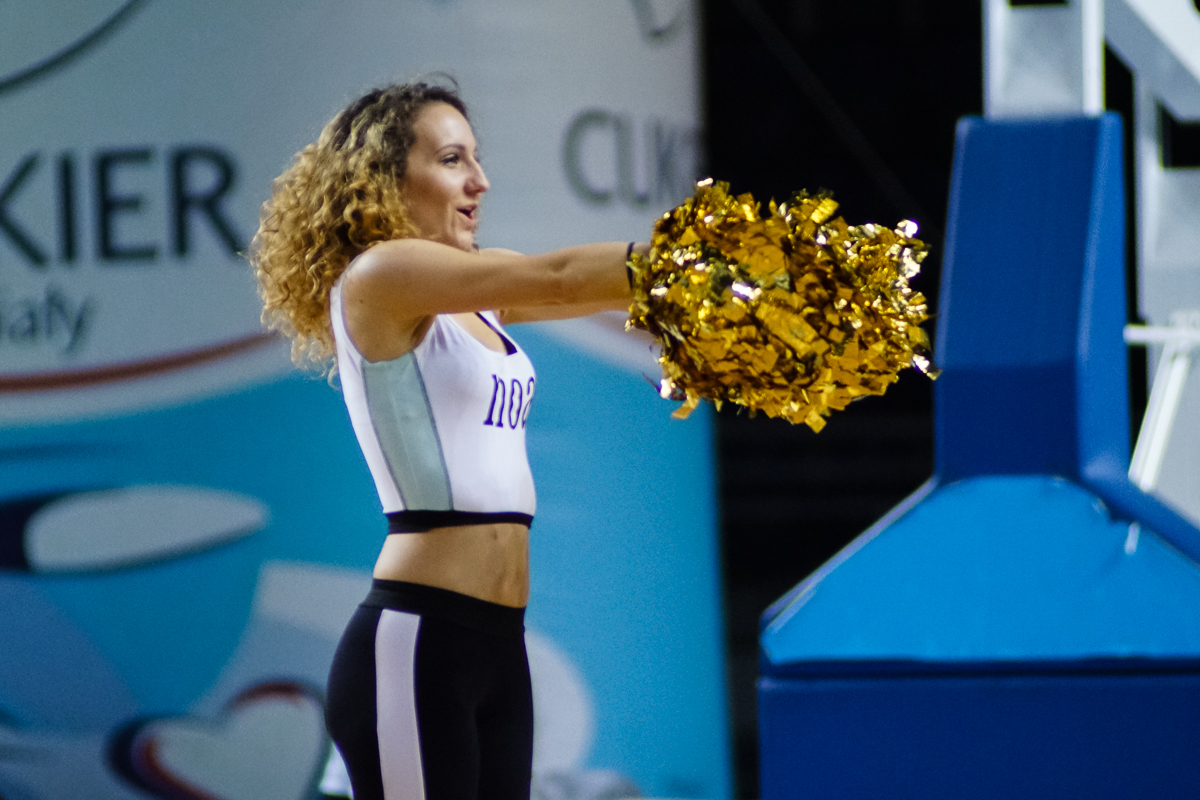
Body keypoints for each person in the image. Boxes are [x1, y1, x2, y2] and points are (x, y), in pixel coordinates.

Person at [251, 80, 648, 800]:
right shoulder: (382, 274)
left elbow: (599, 294)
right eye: (452, 159)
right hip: (420, 636)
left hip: (498, 641)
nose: (479, 180)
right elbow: (558, 277)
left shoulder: (476, 303)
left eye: (475, 157)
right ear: (384, 178)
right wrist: (698, 260)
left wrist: (747, 299)